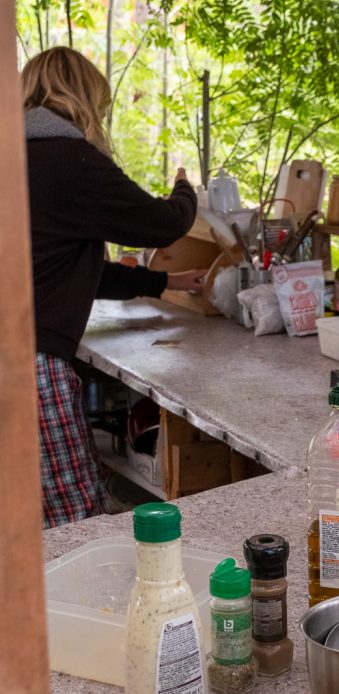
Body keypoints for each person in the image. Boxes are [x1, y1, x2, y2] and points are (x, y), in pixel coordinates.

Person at [22, 46, 204, 528]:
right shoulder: (70, 160)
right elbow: (164, 224)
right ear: (82, 99)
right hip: (28, 369)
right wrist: (186, 189)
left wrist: (162, 281)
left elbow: (68, 267)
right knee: (76, 522)